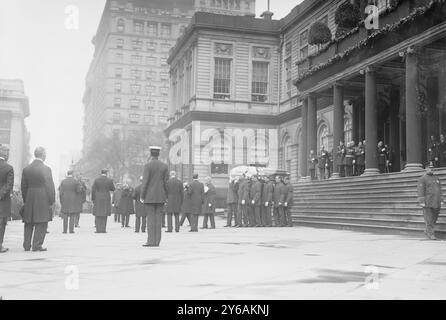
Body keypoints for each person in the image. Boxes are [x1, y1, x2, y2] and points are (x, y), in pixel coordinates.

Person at [21, 147, 56, 252]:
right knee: (41, 222)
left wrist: (26, 200)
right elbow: (49, 186)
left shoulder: (26, 169)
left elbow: (23, 187)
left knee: (28, 221)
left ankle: (26, 245)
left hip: (30, 196)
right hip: (42, 197)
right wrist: (51, 200)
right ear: (43, 155)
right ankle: (37, 245)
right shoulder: (46, 169)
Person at [141, 146, 169, 247]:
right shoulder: (164, 166)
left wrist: (142, 195)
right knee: (158, 219)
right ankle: (157, 241)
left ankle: (151, 241)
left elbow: (145, 182)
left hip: (150, 196)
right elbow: (166, 183)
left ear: (151, 154)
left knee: (151, 219)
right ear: (159, 154)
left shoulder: (148, 166)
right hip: (161, 196)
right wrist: (166, 196)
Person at [417, 165, 443, 240]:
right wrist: (422, 201)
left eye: (433, 168)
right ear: (426, 169)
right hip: (428, 202)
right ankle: (431, 234)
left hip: (436, 201)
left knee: (435, 218)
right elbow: (420, 190)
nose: (432, 169)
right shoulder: (422, 179)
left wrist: (441, 199)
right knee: (429, 218)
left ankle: (427, 230)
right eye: (430, 168)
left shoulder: (437, 178)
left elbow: (439, 189)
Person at [91, 169, 115, 233]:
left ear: (101, 172)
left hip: (98, 197)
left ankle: (98, 229)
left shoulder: (96, 180)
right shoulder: (109, 180)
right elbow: (113, 189)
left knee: (98, 214)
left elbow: (93, 190)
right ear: (106, 173)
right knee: (105, 214)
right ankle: (103, 229)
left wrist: (93, 199)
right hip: (106, 197)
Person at [59, 170, 82, 234]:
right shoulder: (75, 181)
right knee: (72, 215)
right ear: (73, 174)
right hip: (73, 199)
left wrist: (61, 201)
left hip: (65, 199)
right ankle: (71, 230)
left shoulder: (63, 181)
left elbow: (60, 193)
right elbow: (79, 191)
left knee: (65, 215)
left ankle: (64, 230)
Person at [0, 146, 13, 253]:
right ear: (5, 155)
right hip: (3, 201)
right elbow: (9, 185)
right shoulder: (8, 168)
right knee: (1, 223)